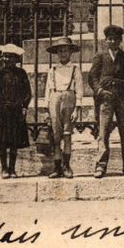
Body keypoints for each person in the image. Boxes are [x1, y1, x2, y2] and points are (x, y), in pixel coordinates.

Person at [88, 25, 124, 178]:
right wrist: (100, 91)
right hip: (106, 98)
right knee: (103, 132)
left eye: (116, 39)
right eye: (110, 39)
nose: (113, 41)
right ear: (106, 40)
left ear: (120, 40)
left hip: (122, 97)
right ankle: (101, 166)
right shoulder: (100, 56)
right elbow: (92, 77)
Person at [0, 44, 32, 179]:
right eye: (5, 56)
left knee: (14, 141)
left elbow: (27, 92)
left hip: (16, 110)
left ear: (16, 59)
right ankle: (4, 169)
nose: (7, 59)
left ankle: (12, 169)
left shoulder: (21, 73)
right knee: (2, 141)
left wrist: (24, 107)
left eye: (10, 57)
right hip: (2, 109)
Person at [45, 36, 84, 179]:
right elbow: (48, 89)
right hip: (54, 99)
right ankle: (57, 167)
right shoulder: (53, 69)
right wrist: (46, 108)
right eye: (60, 51)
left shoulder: (75, 69)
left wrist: (77, 108)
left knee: (67, 135)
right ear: (57, 53)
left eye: (65, 50)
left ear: (70, 52)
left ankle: (67, 166)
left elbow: (79, 89)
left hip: (69, 100)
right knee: (56, 136)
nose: (63, 53)